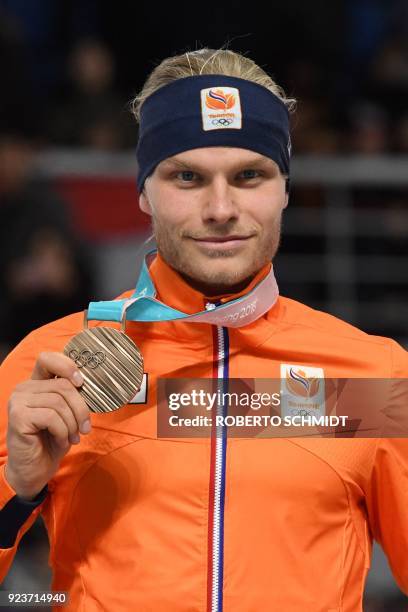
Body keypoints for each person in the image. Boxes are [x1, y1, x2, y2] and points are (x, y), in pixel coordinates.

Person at [0, 48, 407, 612]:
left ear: (285, 189)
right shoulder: (53, 364)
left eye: (249, 175)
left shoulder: (371, 377)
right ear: (144, 191)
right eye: (187, 176)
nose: (221, 208)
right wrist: (20, 492)